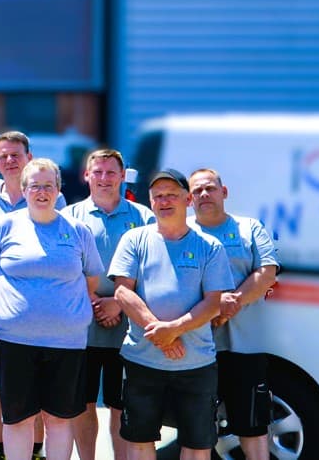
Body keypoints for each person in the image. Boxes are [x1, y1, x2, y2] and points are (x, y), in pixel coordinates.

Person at [0, 159, 105, 460]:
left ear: (59, 190)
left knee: (59, 419)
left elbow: (91, 278)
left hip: (66, 342)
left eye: (49, 185)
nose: (42, 192)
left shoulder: (77, 229)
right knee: (18, 419)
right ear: (24, 190)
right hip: (15, 341)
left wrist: (61, 309)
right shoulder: (4, 226)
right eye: (35, 185)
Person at [109, 169, 235, 460]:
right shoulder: (134, 239)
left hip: (196, 364)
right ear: (151, 202)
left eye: (172, 195)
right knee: (139, 440)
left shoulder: (209, 247)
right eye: (158, 196)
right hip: (142, 359)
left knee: (197, 444)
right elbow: (122, 292)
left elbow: (214, 302)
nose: (165, 201)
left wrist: (175, 329)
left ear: (187, 200)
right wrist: (161, 334)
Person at [0, 131, 63, 459]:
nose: (10, 160)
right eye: (4, 156)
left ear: (29, 158)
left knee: (33, 382)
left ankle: (35, 450)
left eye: (16, 155)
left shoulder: (50, 197)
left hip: (38, 307)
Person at [63, 149, 156, 460]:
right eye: (97, 172)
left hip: (128, 328)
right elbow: (64, 267)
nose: (104, 178)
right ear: (86, 176)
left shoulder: (143, 217)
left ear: (122, 174)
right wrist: (93, 302)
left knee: (120, 404)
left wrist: (117, 303)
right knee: (83, 402)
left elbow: (154, 270)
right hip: (82, 327)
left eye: (111, 172)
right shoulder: (70, 217)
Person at [188, 168, 280, 459]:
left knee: (252, 427)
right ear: (189, 199)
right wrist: (215, 308)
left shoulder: (249, 228)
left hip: (245, 347)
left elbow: (267, 273)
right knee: (196, 430)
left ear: (223, 192)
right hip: (196, 349)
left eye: (210, 188)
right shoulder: (183, 232)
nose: (204, 194)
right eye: (197, 191)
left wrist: (230, 304)